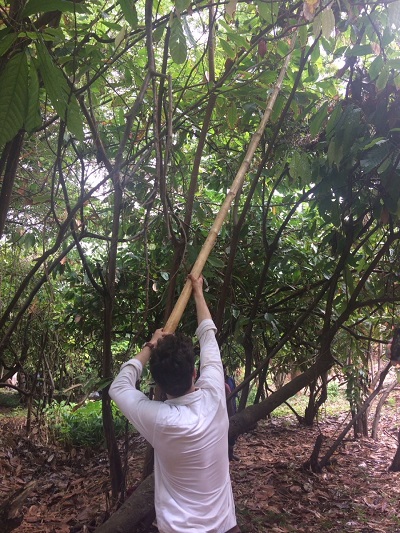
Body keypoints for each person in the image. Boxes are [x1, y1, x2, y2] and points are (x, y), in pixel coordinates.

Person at [109, 274, 240, 533]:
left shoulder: (159, 419)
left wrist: (150, 345)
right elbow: (208, 336)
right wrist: (198, 292)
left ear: (158, 386)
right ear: (194, 373)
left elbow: (119, 387)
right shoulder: (214, 395)